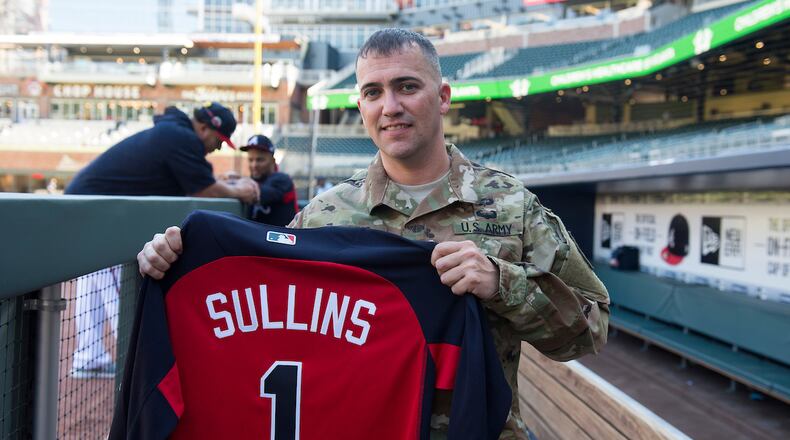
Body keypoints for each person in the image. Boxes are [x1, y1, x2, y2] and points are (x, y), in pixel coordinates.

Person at [137, 29, 609, 439]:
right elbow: (263, 320)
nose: (391, 107)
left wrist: (501, 282)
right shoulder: (323, 216)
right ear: (360, 104)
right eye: (373, 92)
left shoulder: (510, 205)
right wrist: (175, 261)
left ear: (442, 97)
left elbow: (591, 331)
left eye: (407, 87)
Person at [67, 102, 259, 378]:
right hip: (93, 212)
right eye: (218, 141)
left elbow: (196, 182)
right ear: (204, 127)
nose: (217, 148)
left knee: (95, 281)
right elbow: (203, 189)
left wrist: (225, 184)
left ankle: (90, 356)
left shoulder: (174, 134)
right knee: (118, 284)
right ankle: (139, 363)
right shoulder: (180, 137)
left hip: (86, 208)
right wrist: (237, 190)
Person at [234, 134, 298, 227]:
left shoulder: (282, 180)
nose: (254, 165)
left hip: (281, 239)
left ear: (272, 161)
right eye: (250, 160)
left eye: (260, 160)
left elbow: (254, 193)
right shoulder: (254, 180)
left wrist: (235, 182)